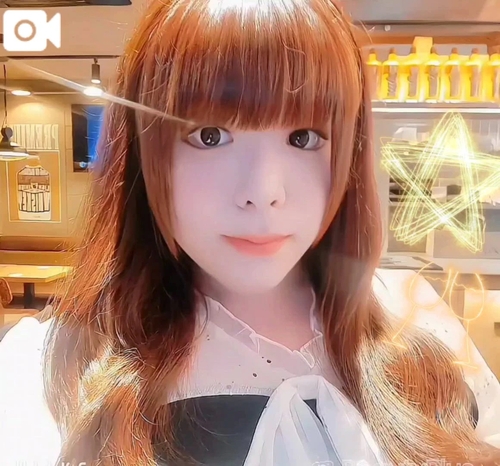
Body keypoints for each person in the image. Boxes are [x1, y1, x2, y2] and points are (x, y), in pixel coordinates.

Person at [1, 0, 499, 465]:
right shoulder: (57, 368)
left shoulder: (418, 318)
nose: (263, 192)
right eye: (210, 136)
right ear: (144, 151)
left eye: (303, 137)